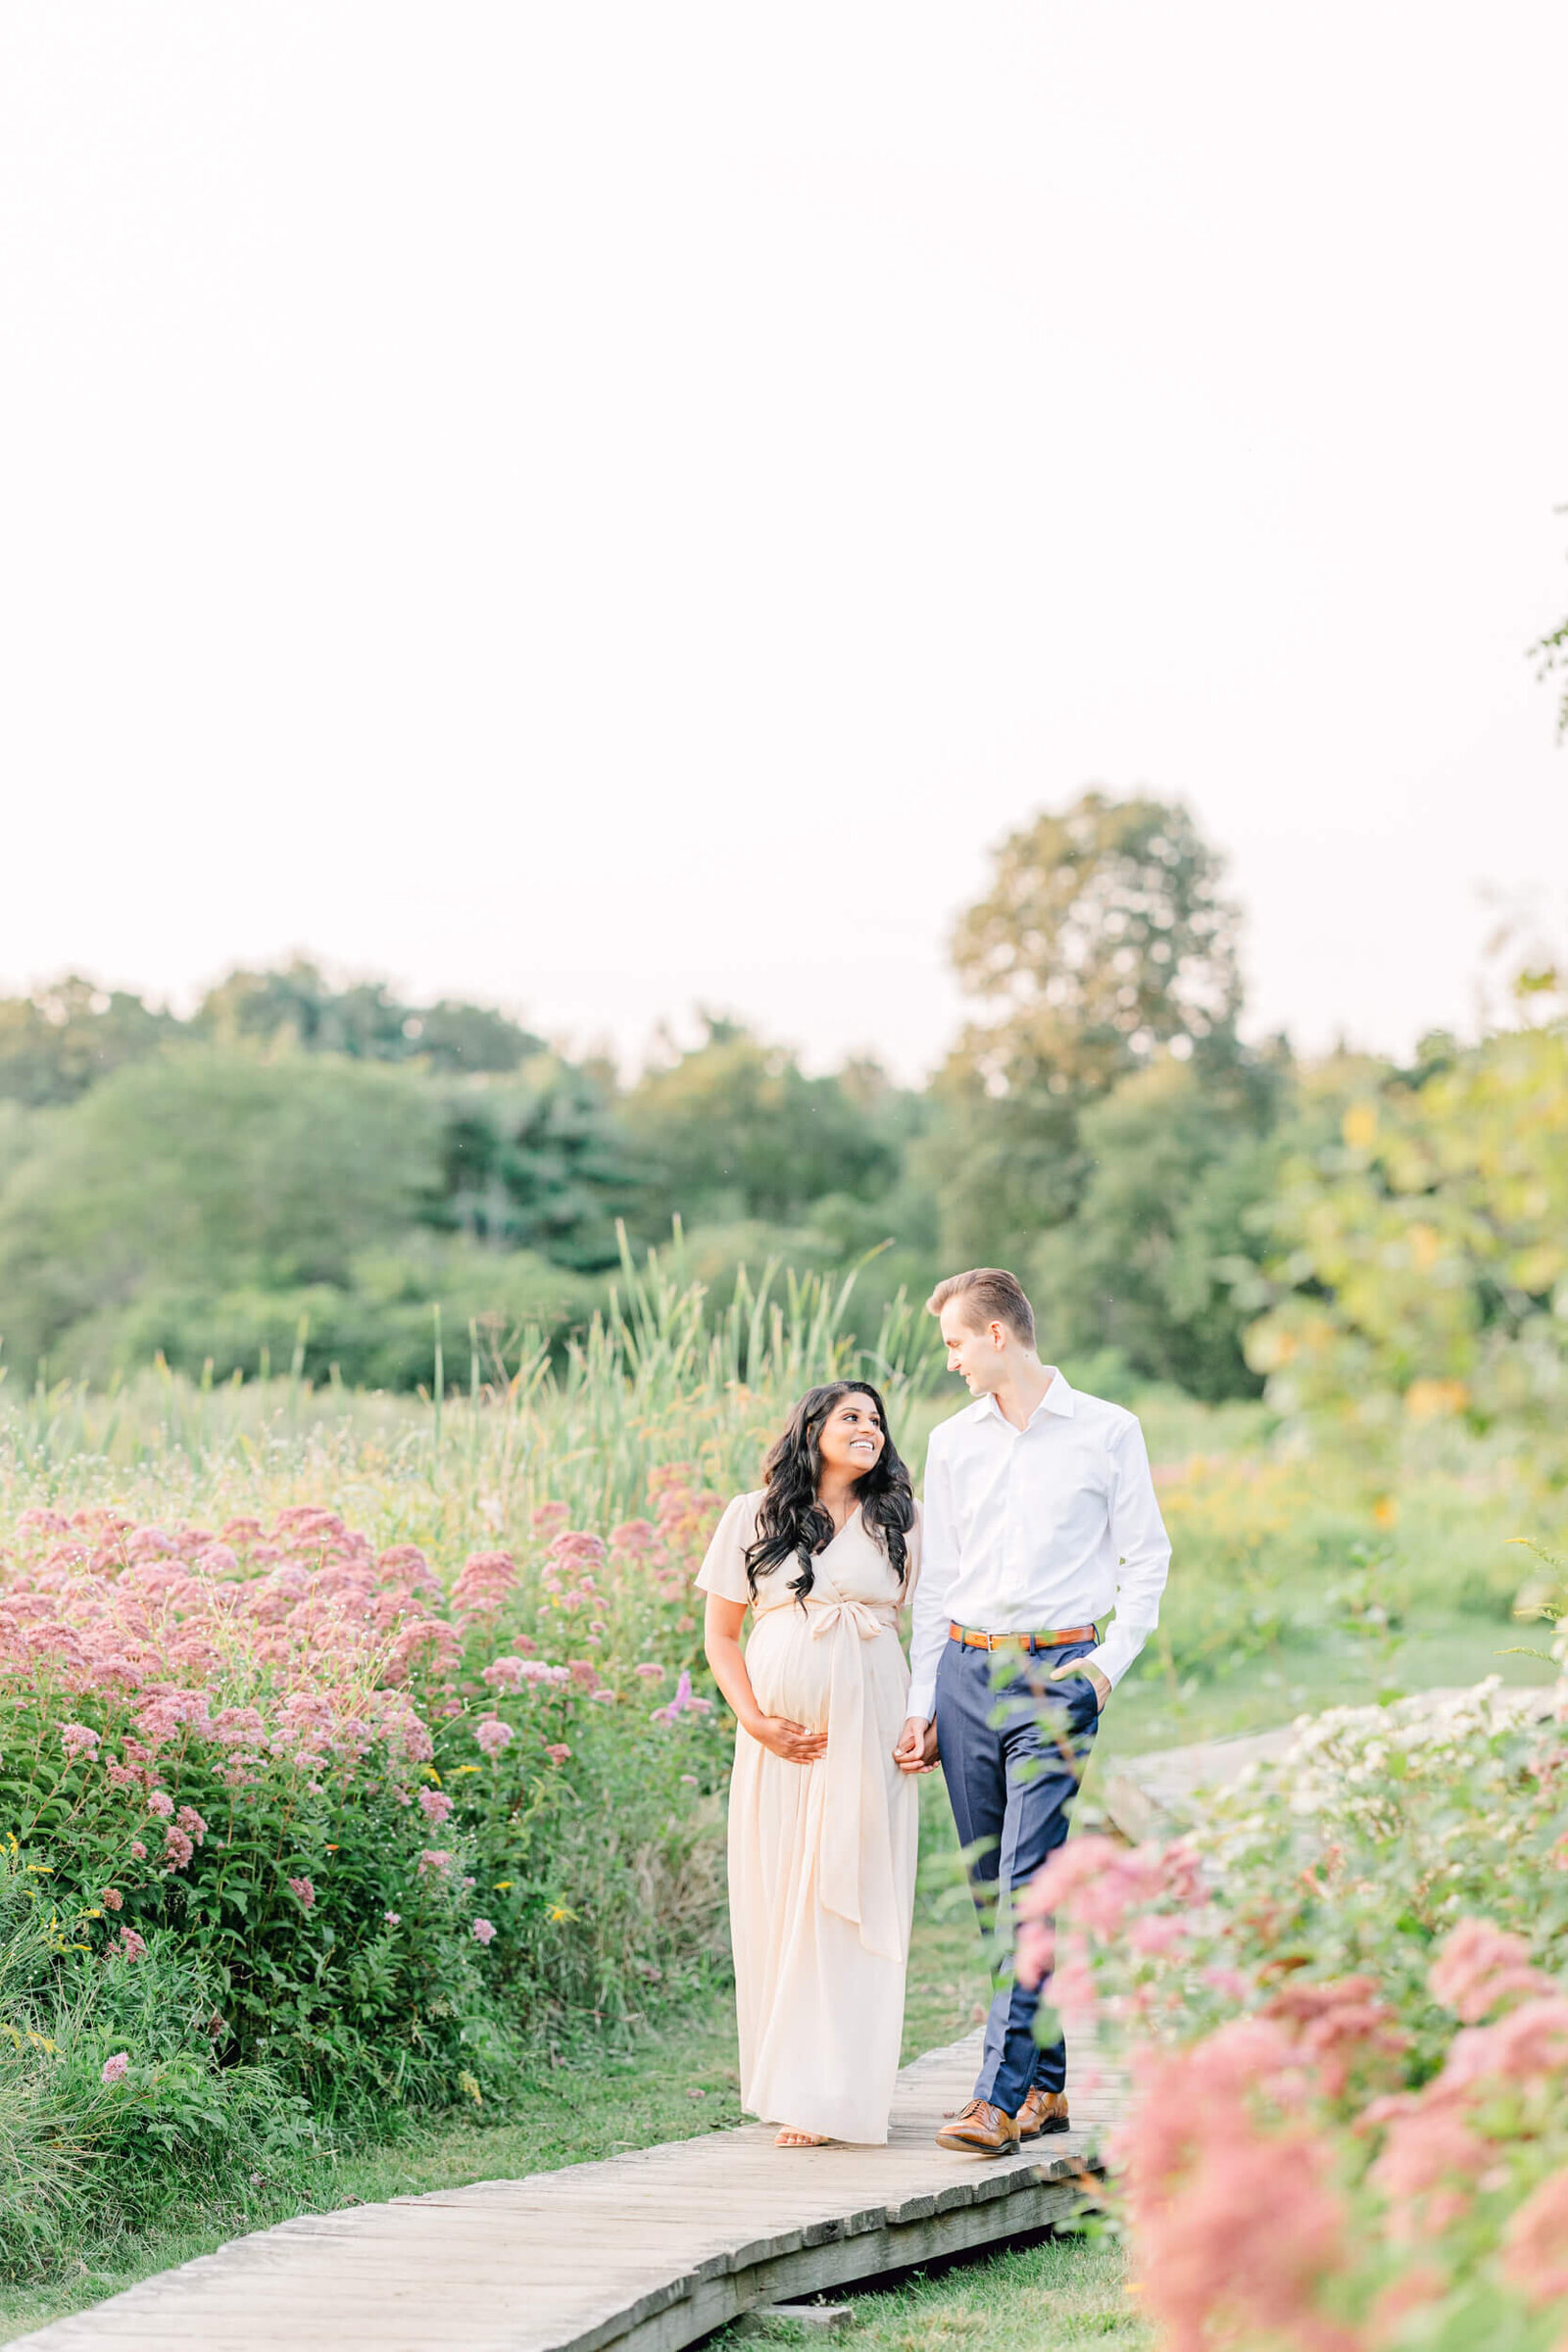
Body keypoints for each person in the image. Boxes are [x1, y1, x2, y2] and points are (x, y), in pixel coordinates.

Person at [894, 1267, 1171, 2155]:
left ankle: (994, 2102)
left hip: (1059, 1676)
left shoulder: (1108, 1432)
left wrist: (1105, 1669)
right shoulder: (954, 1440)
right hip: (965, 1677)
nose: (952, 1363)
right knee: (995, 1892)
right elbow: (938, 1581)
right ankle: (1048, 2085)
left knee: (1025, 1884)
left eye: (955, 1344)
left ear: (998, 1335)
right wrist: (921, 1698)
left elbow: (1148, 1559)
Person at [699, 1381, 921, 2148]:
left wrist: (920, 1719)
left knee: (851, 1893)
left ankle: (846, 2090)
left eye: (877, 1420)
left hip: (872, 1735)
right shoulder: (752, 1515)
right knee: (781, 1895)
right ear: (813, 1429)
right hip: (781, 1745)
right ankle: (797, 2088)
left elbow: (936, 1628)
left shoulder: (903, 1521)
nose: (869, 1429)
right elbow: (721, 1638)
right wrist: (756, 1721)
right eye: (851, 1417)